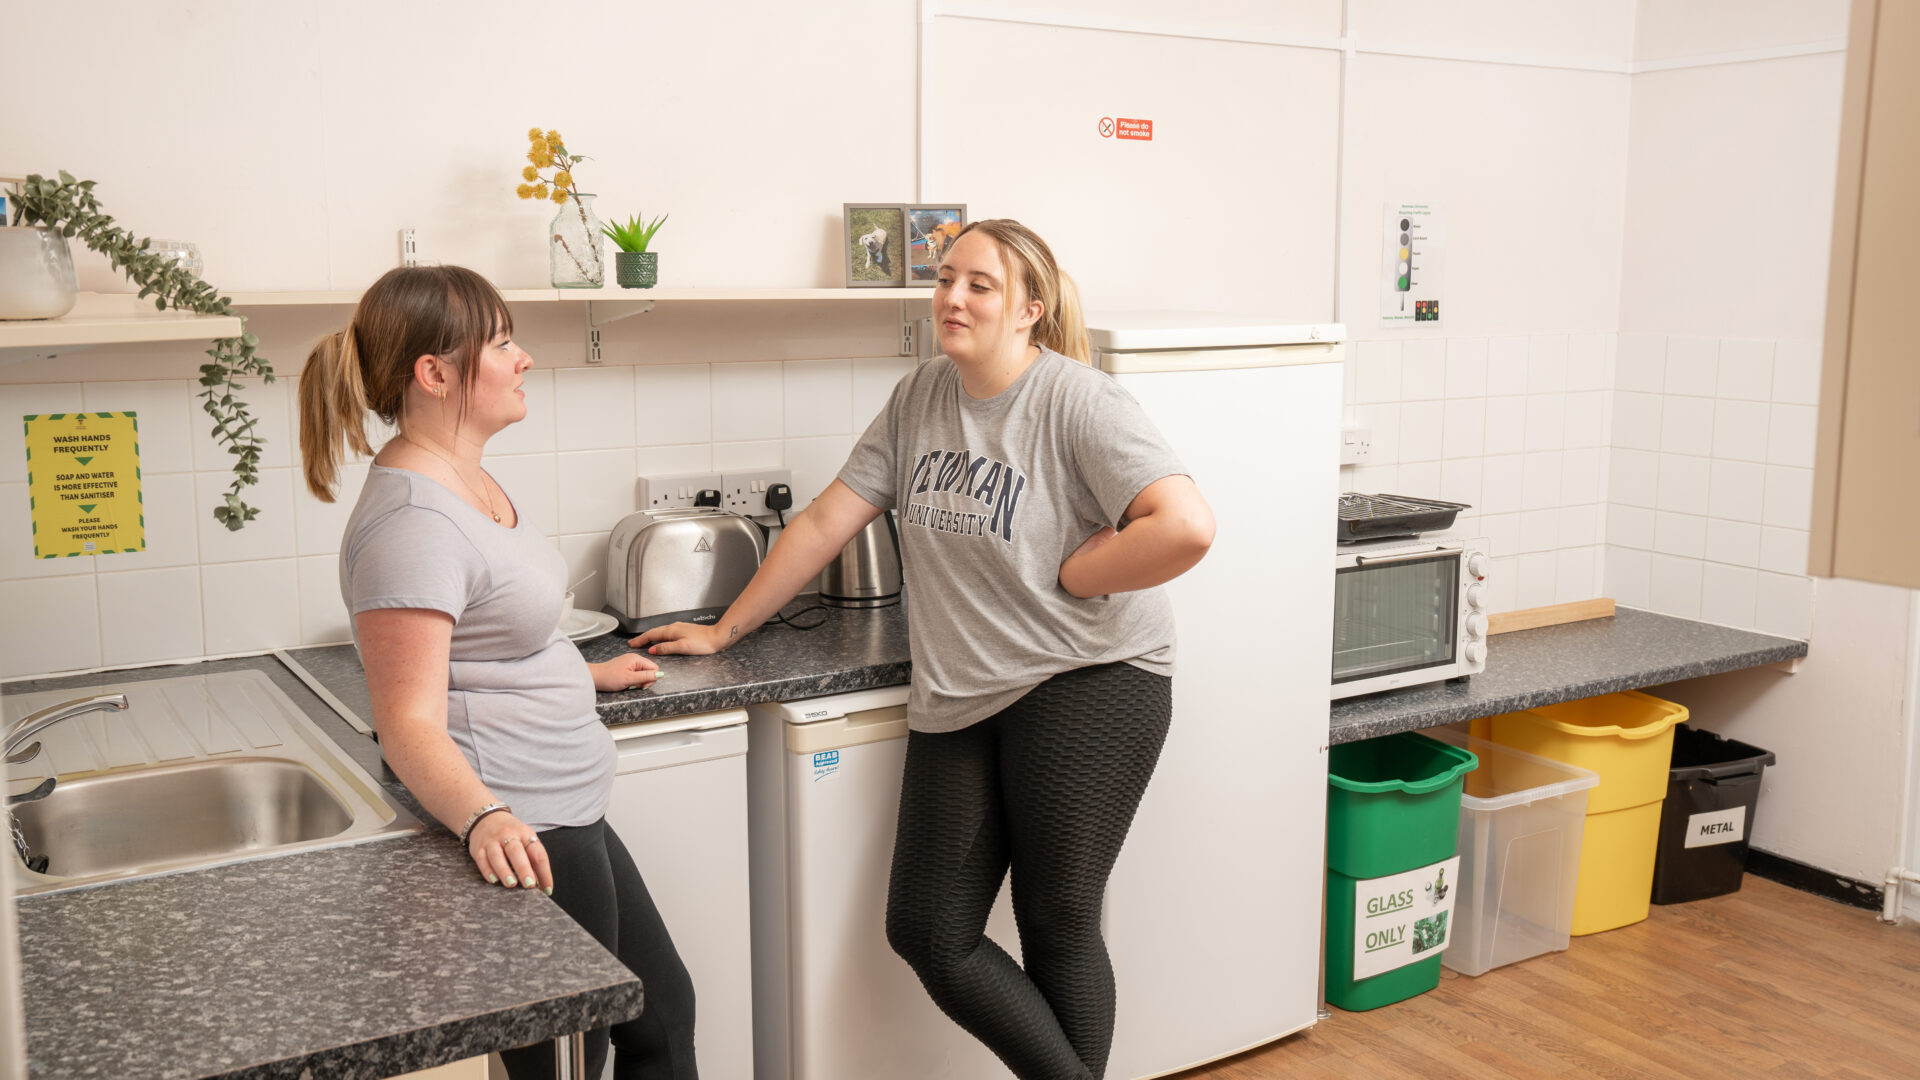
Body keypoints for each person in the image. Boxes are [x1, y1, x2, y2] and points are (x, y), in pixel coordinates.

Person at [635, 219, 1215, 1080]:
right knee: (929, 928)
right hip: (965, 687)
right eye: (946, 279)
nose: (953, 297)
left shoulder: (1075, 400)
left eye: (980, 284)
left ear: (1030, 309)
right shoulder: (921, 396)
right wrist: (725, 628)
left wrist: (1088, 573)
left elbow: (1186, 525)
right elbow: (831, 517)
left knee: (1057, 917)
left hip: (1087, 680)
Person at [297, 265, 697, 1080]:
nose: (525, 360)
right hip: (523, 821)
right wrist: (485, 820)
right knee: (574, 1060)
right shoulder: (410, 520)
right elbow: (408, 719)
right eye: (503, 342)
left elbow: (481, 648)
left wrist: (577, 678)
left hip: (561, 804)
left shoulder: (465, 478)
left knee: (660, 1014)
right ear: (435, 373)